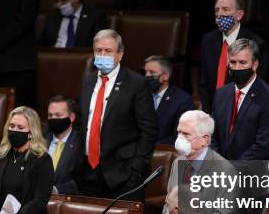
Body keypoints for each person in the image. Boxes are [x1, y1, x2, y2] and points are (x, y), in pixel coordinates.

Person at [77, 29, 157, 201]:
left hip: (122, 174)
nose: (102, 55)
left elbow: (149, 130)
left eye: (108, 51)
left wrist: (136, 169)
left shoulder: (137, 83)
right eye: (98, 51)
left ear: (120, 54)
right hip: (87, 173)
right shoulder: (88, 80)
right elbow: (82, 122)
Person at [213, 39, 269, 161]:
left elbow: (264, 145)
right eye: (233, 62)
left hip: (249, 173)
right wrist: (216, 162)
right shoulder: (221, 93)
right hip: (218, 170)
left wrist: (232, 169)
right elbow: (211, 135)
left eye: (242, 63)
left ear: (255, 65)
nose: (237, 67)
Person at [200, 0, 269, 114]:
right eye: (217, 10)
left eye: (225, 9)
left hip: (240, 110)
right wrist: (207, 112)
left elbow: (259, 85)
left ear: (239, 14)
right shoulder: (208, 40)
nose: (220, 14)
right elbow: (205, 81)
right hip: (211, 109)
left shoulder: (256, 43)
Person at [39, 0, 109, 48]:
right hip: (54, 56)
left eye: (63, 0)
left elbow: (101, 46)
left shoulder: (95, 17)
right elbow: (41, 42)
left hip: (79, 57)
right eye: (57, 1)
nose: (58, 5)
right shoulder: (52, 16)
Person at [144, 56, 194, 145]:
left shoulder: (182, 100)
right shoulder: (138, 94)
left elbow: (180, 136)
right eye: (145, 72)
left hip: (161, 151)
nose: (147, 75)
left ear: (165, 76)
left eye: (152, 72)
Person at [45, 95, 81, 195]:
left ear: (71, 117)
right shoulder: (40, 139)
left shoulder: (80, 144)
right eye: (50, 115)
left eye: (58, 115)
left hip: (66, 201)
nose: (53, 119)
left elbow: (81, 181)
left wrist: (56, 190)